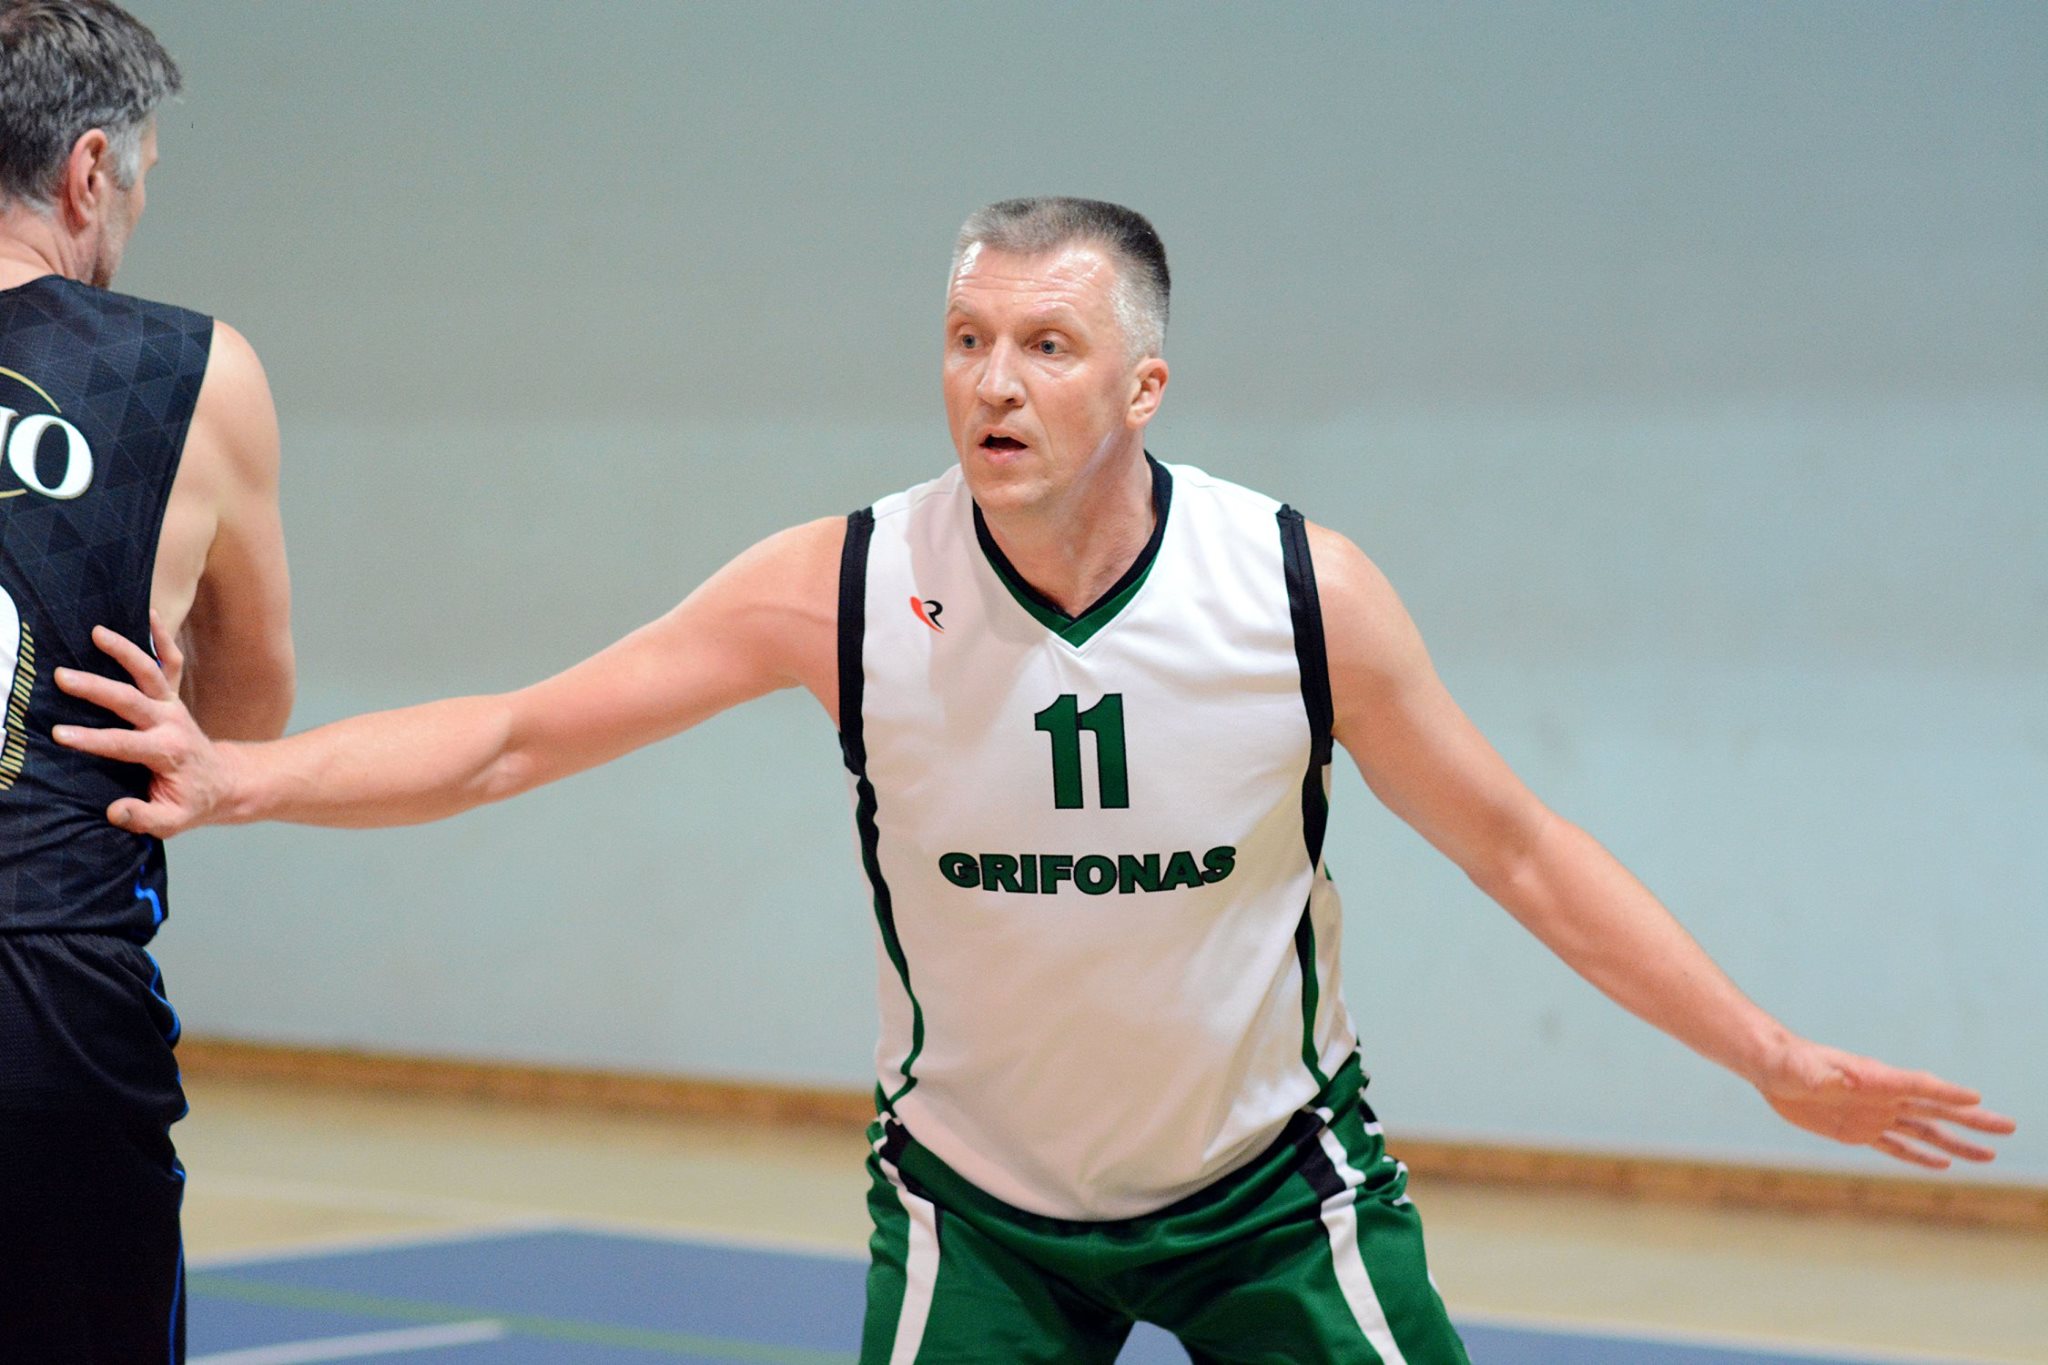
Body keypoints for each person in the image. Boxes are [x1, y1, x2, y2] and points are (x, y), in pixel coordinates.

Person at [58, 197, 2008, 1365]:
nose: (993, 379)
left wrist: (1763, 1052)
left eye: (1047, 345)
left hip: (1271, 1189)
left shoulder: (1296, 590)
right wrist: (244, 775)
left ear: (1141, 387)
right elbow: (511, 735)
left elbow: (1519, 846)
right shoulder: (840, 582)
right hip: (977, 1203)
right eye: (967, 338)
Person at [1, 2, 295, 1360]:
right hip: (50, 993)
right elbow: (242, 718)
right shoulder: (192, 371)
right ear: (88, 170)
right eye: (141, 179)